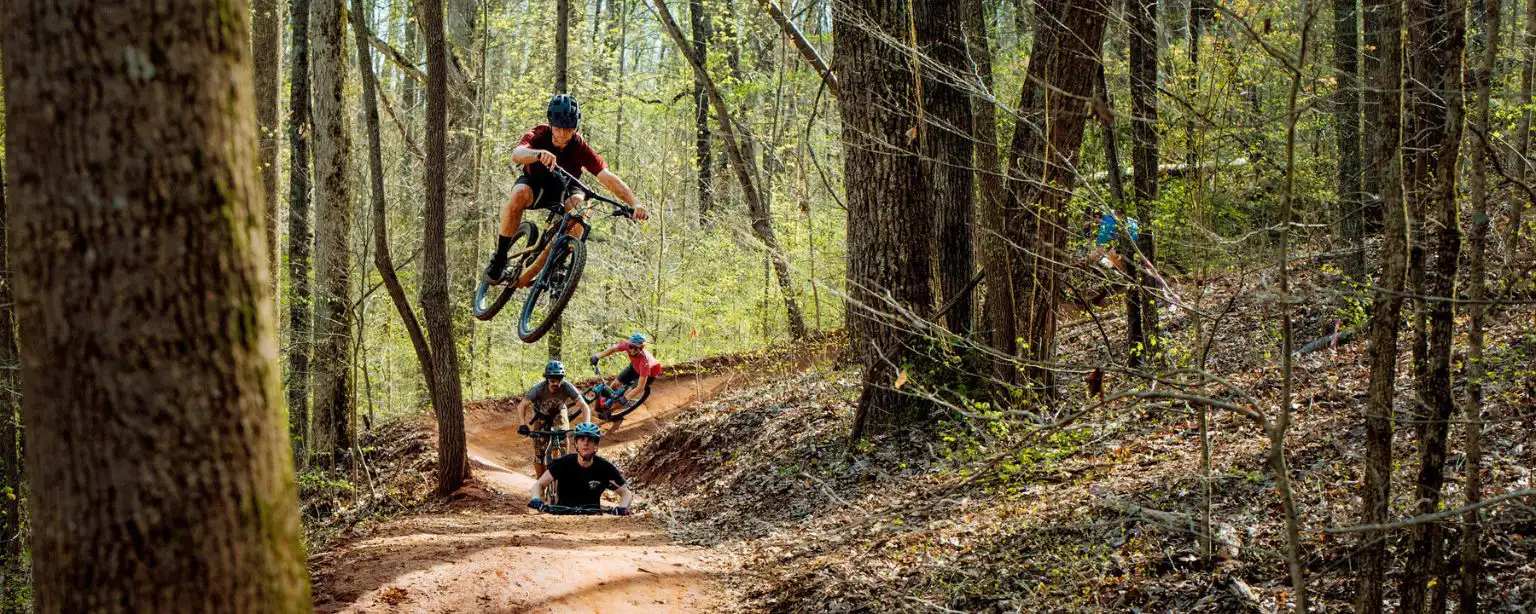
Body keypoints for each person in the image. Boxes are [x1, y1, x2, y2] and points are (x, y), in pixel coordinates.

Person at [484, 94, 651, 285]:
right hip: (535, 184)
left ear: (575, 128)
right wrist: (538, 154)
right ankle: (500, 258)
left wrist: (635, 203)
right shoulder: (539, 134)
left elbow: (608, 178)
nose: (562, 134)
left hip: (565, 188)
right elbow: (517, 154)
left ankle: (557, 261)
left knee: (582, 210)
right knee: (518, 194)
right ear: (550, 124)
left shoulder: (579, 146)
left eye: (568, 129)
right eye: (558, 128)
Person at [528, 422, 634, 515]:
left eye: (590, 440)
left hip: (593, 519)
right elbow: (539, 484)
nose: (586, 443)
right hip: (561, 515)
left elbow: (626, 492)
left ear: (596, 445)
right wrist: (536, 499)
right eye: (582, 439)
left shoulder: (605, 468)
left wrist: (622, 508)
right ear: (576, 444)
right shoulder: (562, 463)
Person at [514, 360, 592, 479]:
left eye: (559, 380)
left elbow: (584, 406)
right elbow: (522, 406)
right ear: (547, 379)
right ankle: (541, 483)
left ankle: (563, 474)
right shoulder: (538, 389)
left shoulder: (567, 387)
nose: (556, 383)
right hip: (541, 415)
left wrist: (587, 425)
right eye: (552, 380)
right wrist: (523, 425)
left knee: (563, 439)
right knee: (540, 453)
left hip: (559, 413)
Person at [590, 332, 663, 412]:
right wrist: (597, 356)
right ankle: (605, 403)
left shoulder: (644, 362)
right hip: (635, 367)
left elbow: (640, 387)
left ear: (641, 348)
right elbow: (612, 349)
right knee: (614, 384)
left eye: (636, 348)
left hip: (649, 375)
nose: (632, 350)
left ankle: (610, 411)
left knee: (626, 395)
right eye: (631, 347)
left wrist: (625, 398)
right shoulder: (627, 345)